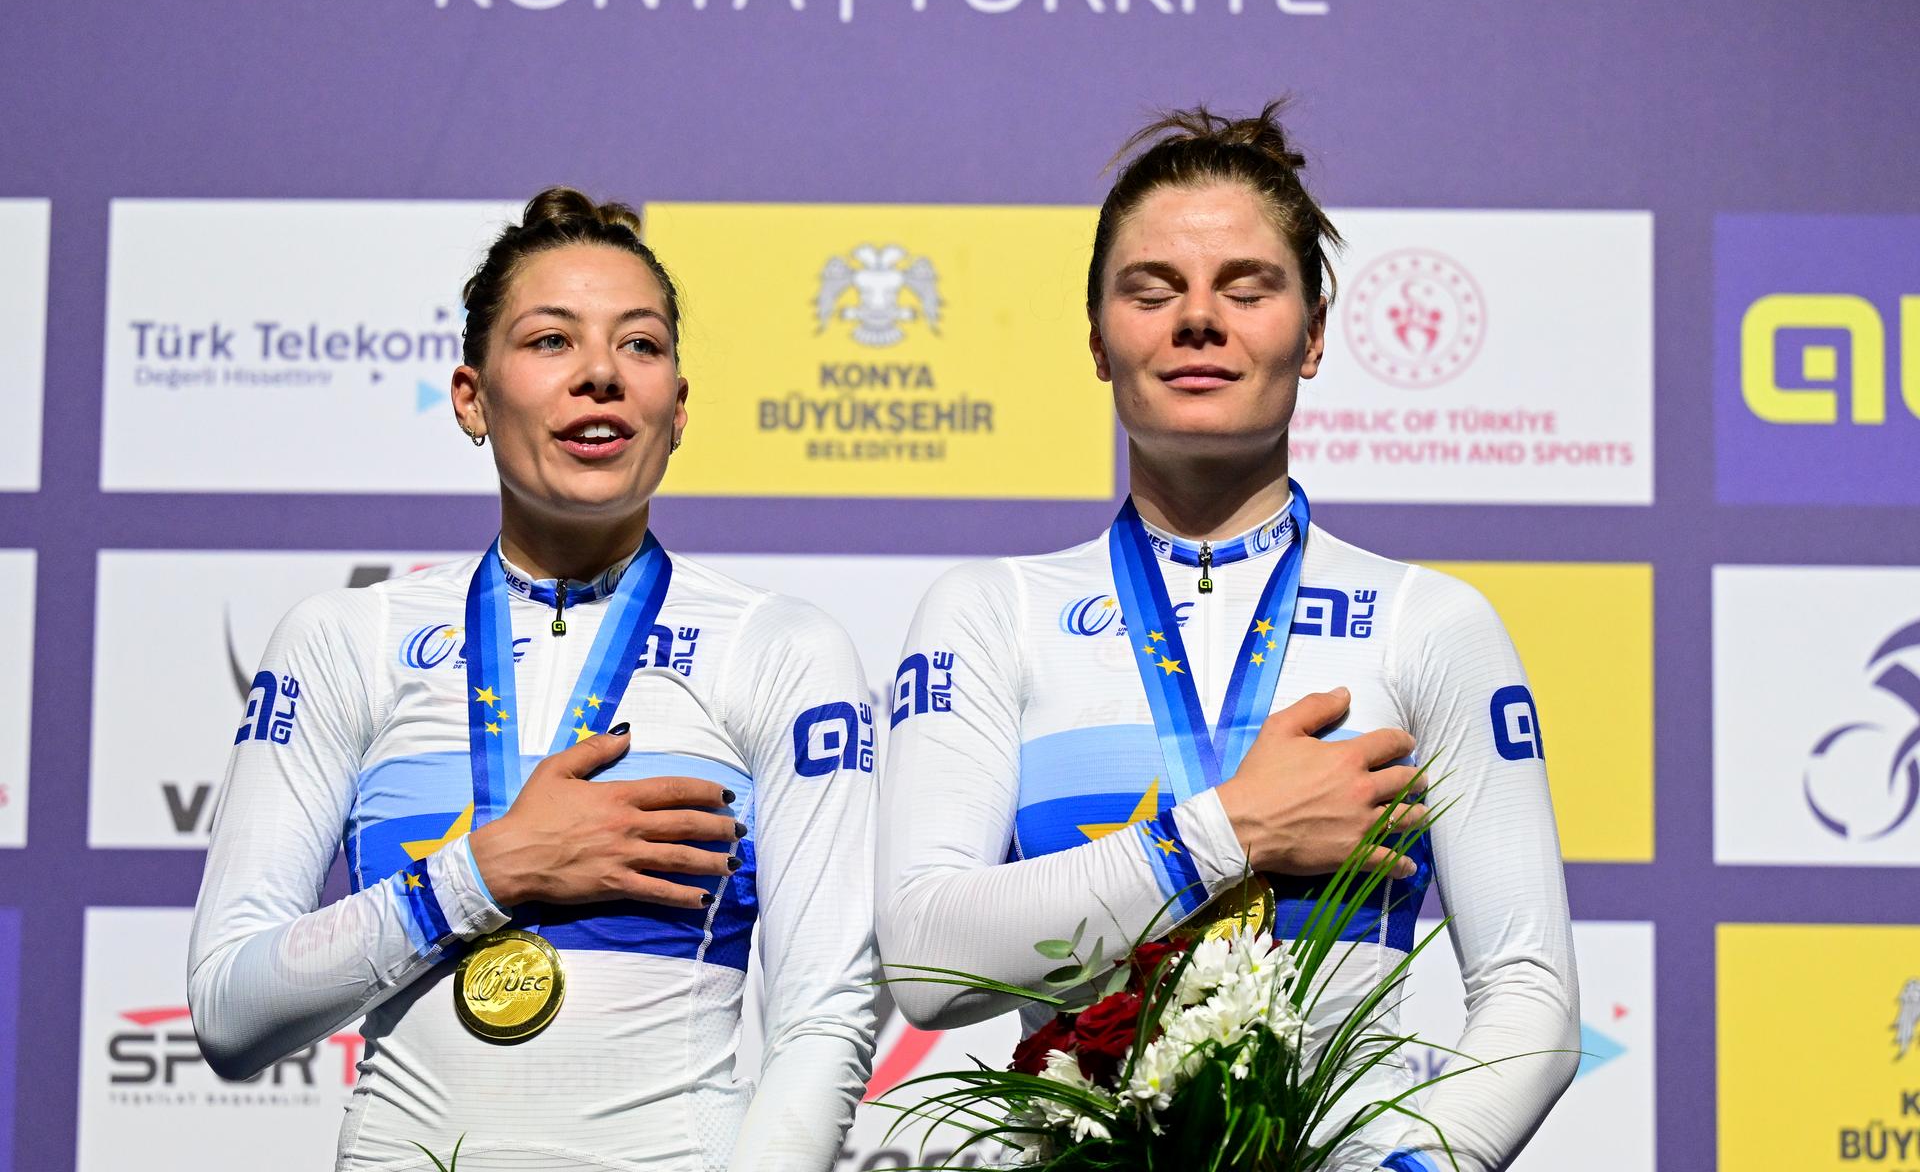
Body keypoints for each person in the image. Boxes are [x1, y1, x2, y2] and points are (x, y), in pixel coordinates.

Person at [877, 105, 1578, 1171]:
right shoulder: (990, 612)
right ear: (1097, 338)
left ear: (1315, 331)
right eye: (1152, 289)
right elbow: (929, 961)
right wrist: (1228, 831)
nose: (1198, 318)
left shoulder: (1429, 623)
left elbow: (1532, 998)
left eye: (1247, 288)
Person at [189, 189, 878, 1171]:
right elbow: (229, 1008)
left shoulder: (781, 648)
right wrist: (487, 871)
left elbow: (826, 1014)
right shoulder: (344, 638)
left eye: (639, 345)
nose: (600, 372)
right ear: (471, 396)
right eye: (551, 340)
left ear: (676, 410)